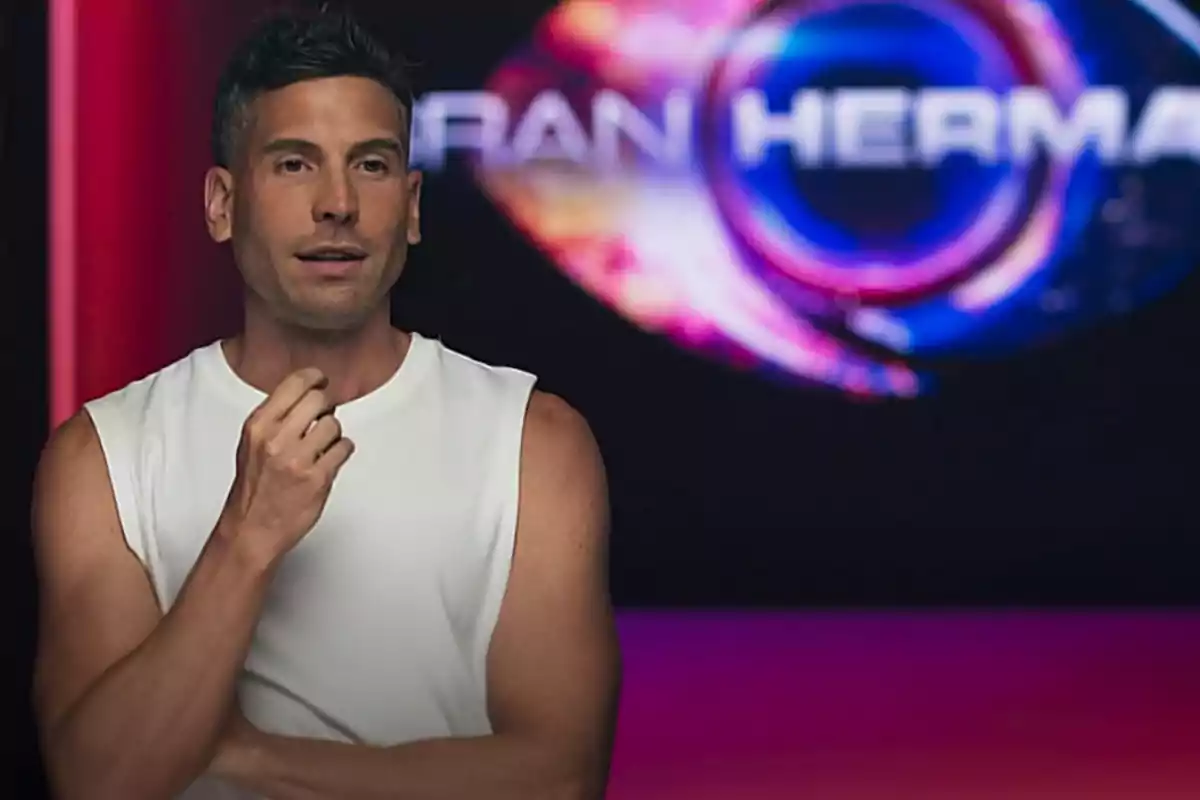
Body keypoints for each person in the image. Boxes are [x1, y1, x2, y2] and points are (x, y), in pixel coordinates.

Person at [31, 8, 620, 800]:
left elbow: (558, 780)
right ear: (220, 204)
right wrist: (246, 538)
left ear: (411, 206)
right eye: (294, 165)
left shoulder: (534, 444)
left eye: (371, 166)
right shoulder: (103, 456)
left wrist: (248, 754)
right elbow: (98, 782)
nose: (338, 203)